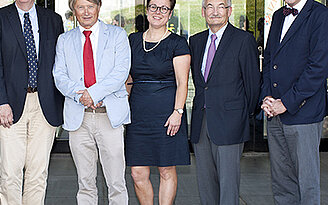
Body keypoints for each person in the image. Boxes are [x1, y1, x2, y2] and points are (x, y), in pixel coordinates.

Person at [0, 0, 64, 204]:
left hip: (44, 104)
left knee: (38, 172)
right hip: (9, 105)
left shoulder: (53, 20)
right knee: (10, 173)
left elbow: (61, 63)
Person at [53, 0, 131, 204]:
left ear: (98, 7)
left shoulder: (117, 35)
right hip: (79, 117)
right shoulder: (64, 40)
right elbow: (59, 75)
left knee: (116, 182)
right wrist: (81, 96)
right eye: (80, 7)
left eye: (90, 6)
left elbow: (121, 72)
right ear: (74, 11)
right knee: (85, 182)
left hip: (109, 116)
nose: (86, 12)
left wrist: (93, 94)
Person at [188, 0, 261, 203]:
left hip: (230, 123)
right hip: (201, 122)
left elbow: (253, 84)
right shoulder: (196, 41)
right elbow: (200, 82)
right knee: (205, 184)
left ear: (229, 11)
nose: (215, 11)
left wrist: (240, 115)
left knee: (228, 187)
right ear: (203, 12)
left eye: (221, 6)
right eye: (210, 6)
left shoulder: (243, 40)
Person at [260, 0, 328, 203]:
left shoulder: (320, 14)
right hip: (275, 112)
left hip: (303, 112)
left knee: (307, 182)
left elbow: (318, 67)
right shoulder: (280, 14)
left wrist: (286, 103)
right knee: (282, 183)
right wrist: (267, 96)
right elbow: (270, 58)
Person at [124, 0, 191, 204]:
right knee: (137, 172)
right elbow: (128, 79)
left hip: (167, 115)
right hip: (138, 114)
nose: (158, 12)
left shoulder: (178, 43)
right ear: (146, 10)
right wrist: (122, 110)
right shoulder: (133, 40)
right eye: (153, 7)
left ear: (170, 14)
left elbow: (182, 82)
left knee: (166, 169)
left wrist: (177, 112)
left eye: (164, 8)